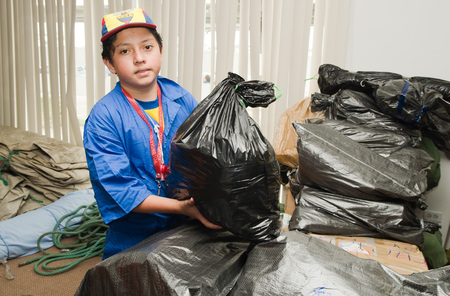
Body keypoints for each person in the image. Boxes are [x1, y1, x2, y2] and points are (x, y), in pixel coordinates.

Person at [83, 8, 222, 260]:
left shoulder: (181, 98)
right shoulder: (104, 117)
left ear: (160, 51)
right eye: (125, 51)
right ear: (109, 64)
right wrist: (182, 208)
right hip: (136, 233)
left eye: (147, 47)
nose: (139, 58)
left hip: (188, 224)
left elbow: (204, 153)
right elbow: (121, 188)